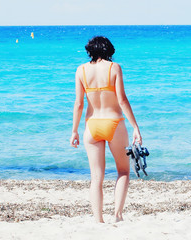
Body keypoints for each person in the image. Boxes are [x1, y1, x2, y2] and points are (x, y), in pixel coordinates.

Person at [70, 36, 142, 223]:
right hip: (114, 123)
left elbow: (78, 104)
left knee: (96, 178)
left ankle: (98, 220)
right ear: (108, 50)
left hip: (91, 126)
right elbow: (122, 100)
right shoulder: (114, 68)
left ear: (90, 51)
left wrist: (74, 131)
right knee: (123, 172)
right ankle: (117, 215)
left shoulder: (81, 70)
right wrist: (135, 126)